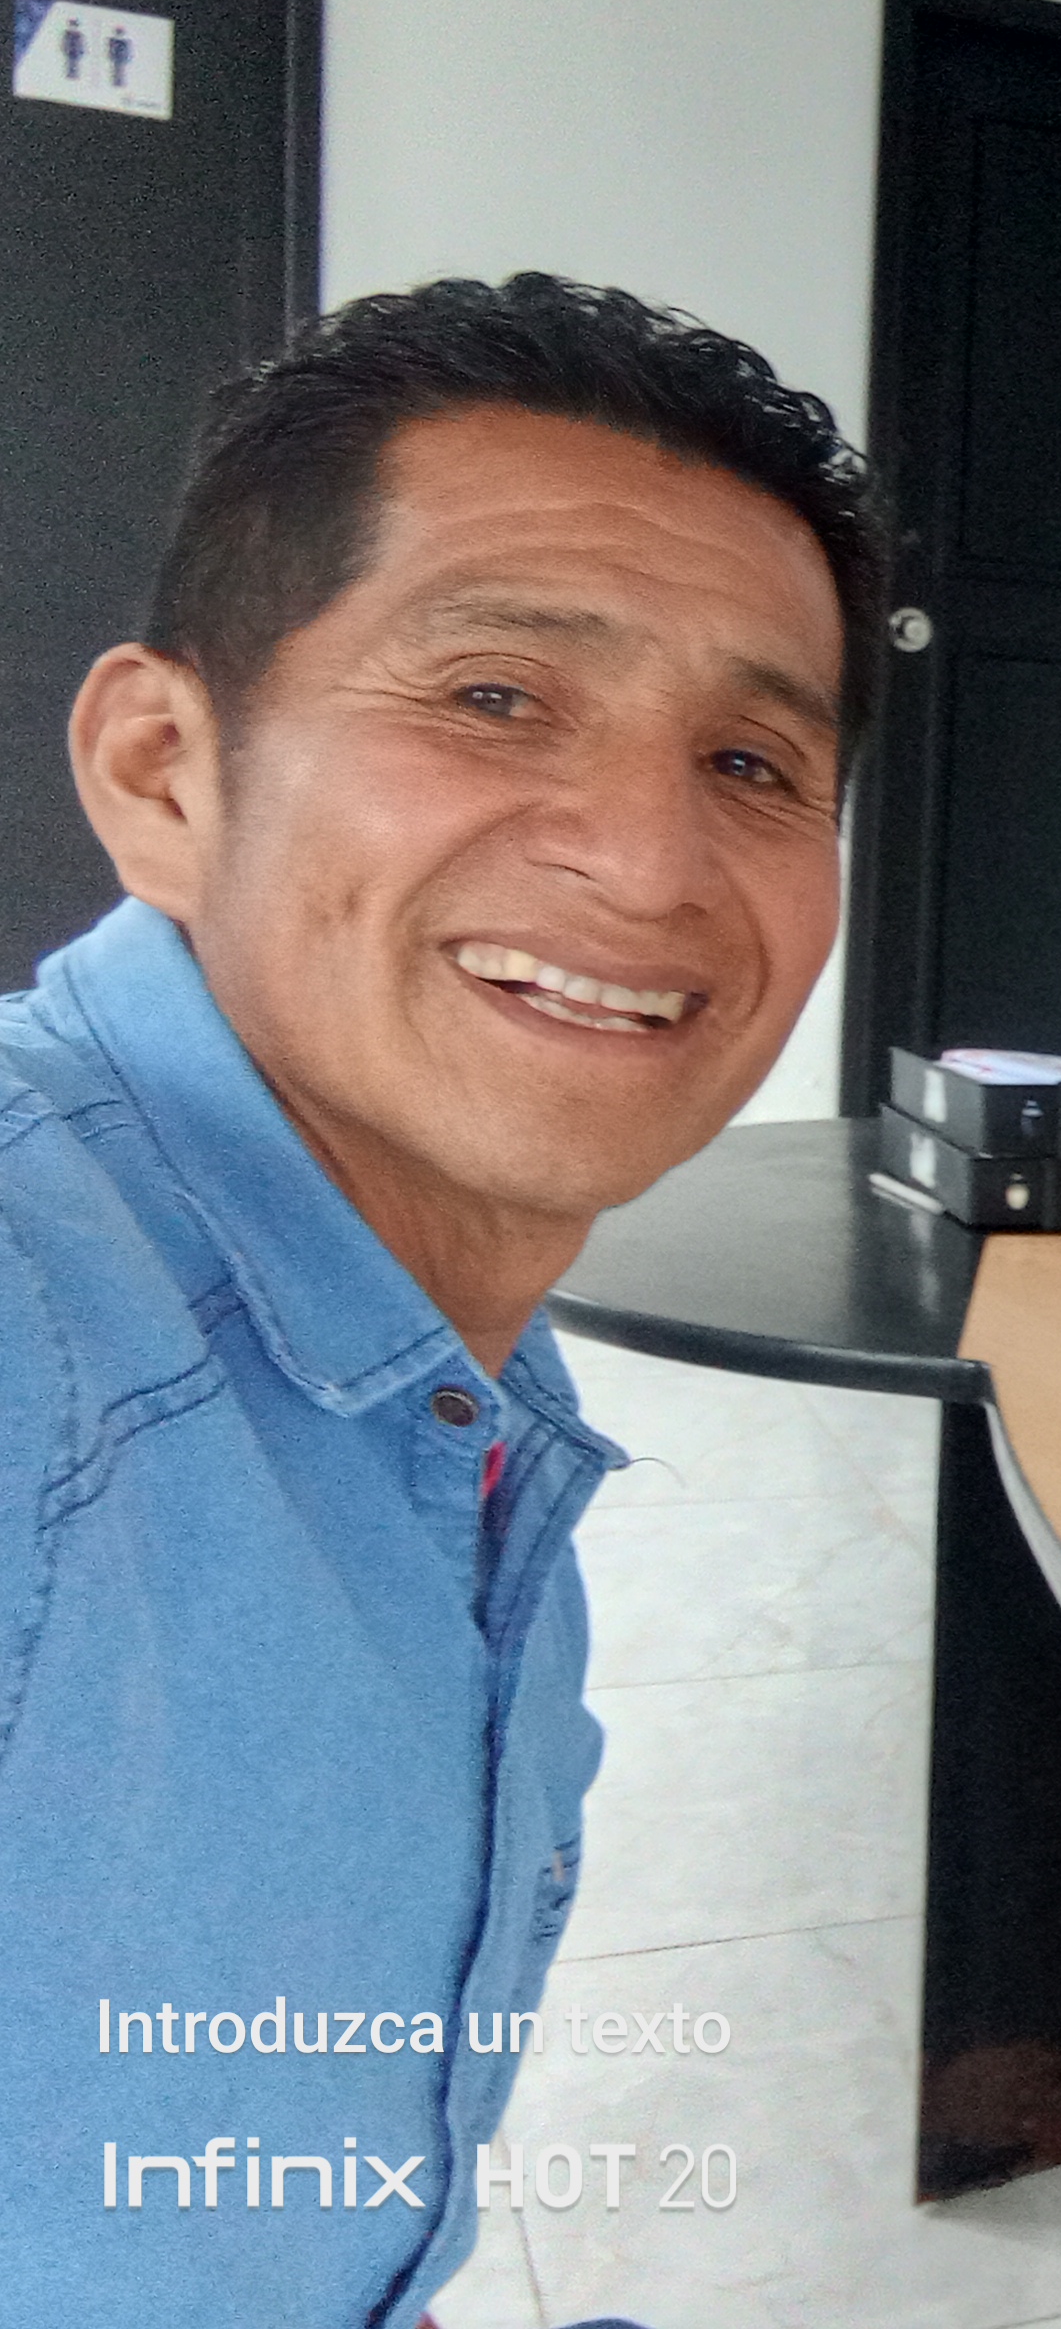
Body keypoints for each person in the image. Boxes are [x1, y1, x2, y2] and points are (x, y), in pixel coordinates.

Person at [0, 274, 885, 2325]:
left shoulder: (457, 1377)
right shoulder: (43, 1310)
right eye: (494, 696)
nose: (649, 863)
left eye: (752, 761)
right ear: (162, 767)